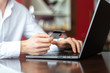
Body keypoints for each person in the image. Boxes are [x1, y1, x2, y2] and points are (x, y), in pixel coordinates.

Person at [0, 0, 83, 59]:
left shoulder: (21, 10)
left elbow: (43, 38)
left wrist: (58, 42)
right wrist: (22, 47)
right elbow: (27, 46)